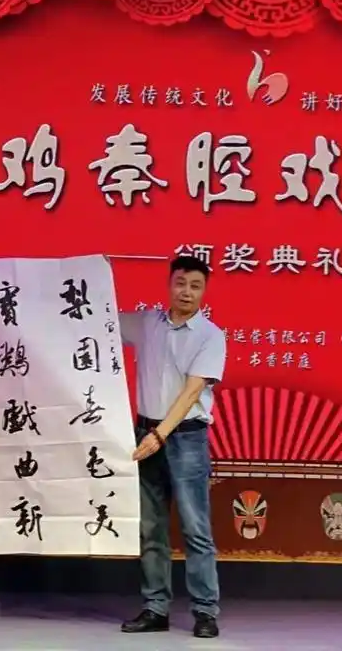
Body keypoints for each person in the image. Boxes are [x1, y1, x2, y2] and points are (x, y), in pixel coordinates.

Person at [118, 255, 227, 639]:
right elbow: (98, 319)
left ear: (204, 292)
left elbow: (191, 392)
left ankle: (205, 612)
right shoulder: (147, 323)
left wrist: (159, 435)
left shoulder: (210, 336)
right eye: (181, 283)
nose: (186, 292)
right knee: (151, 528)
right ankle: (155, 608)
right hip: (145, 433)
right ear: (169, 284)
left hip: (185, 438)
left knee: (196, 528)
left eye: (195, 286)